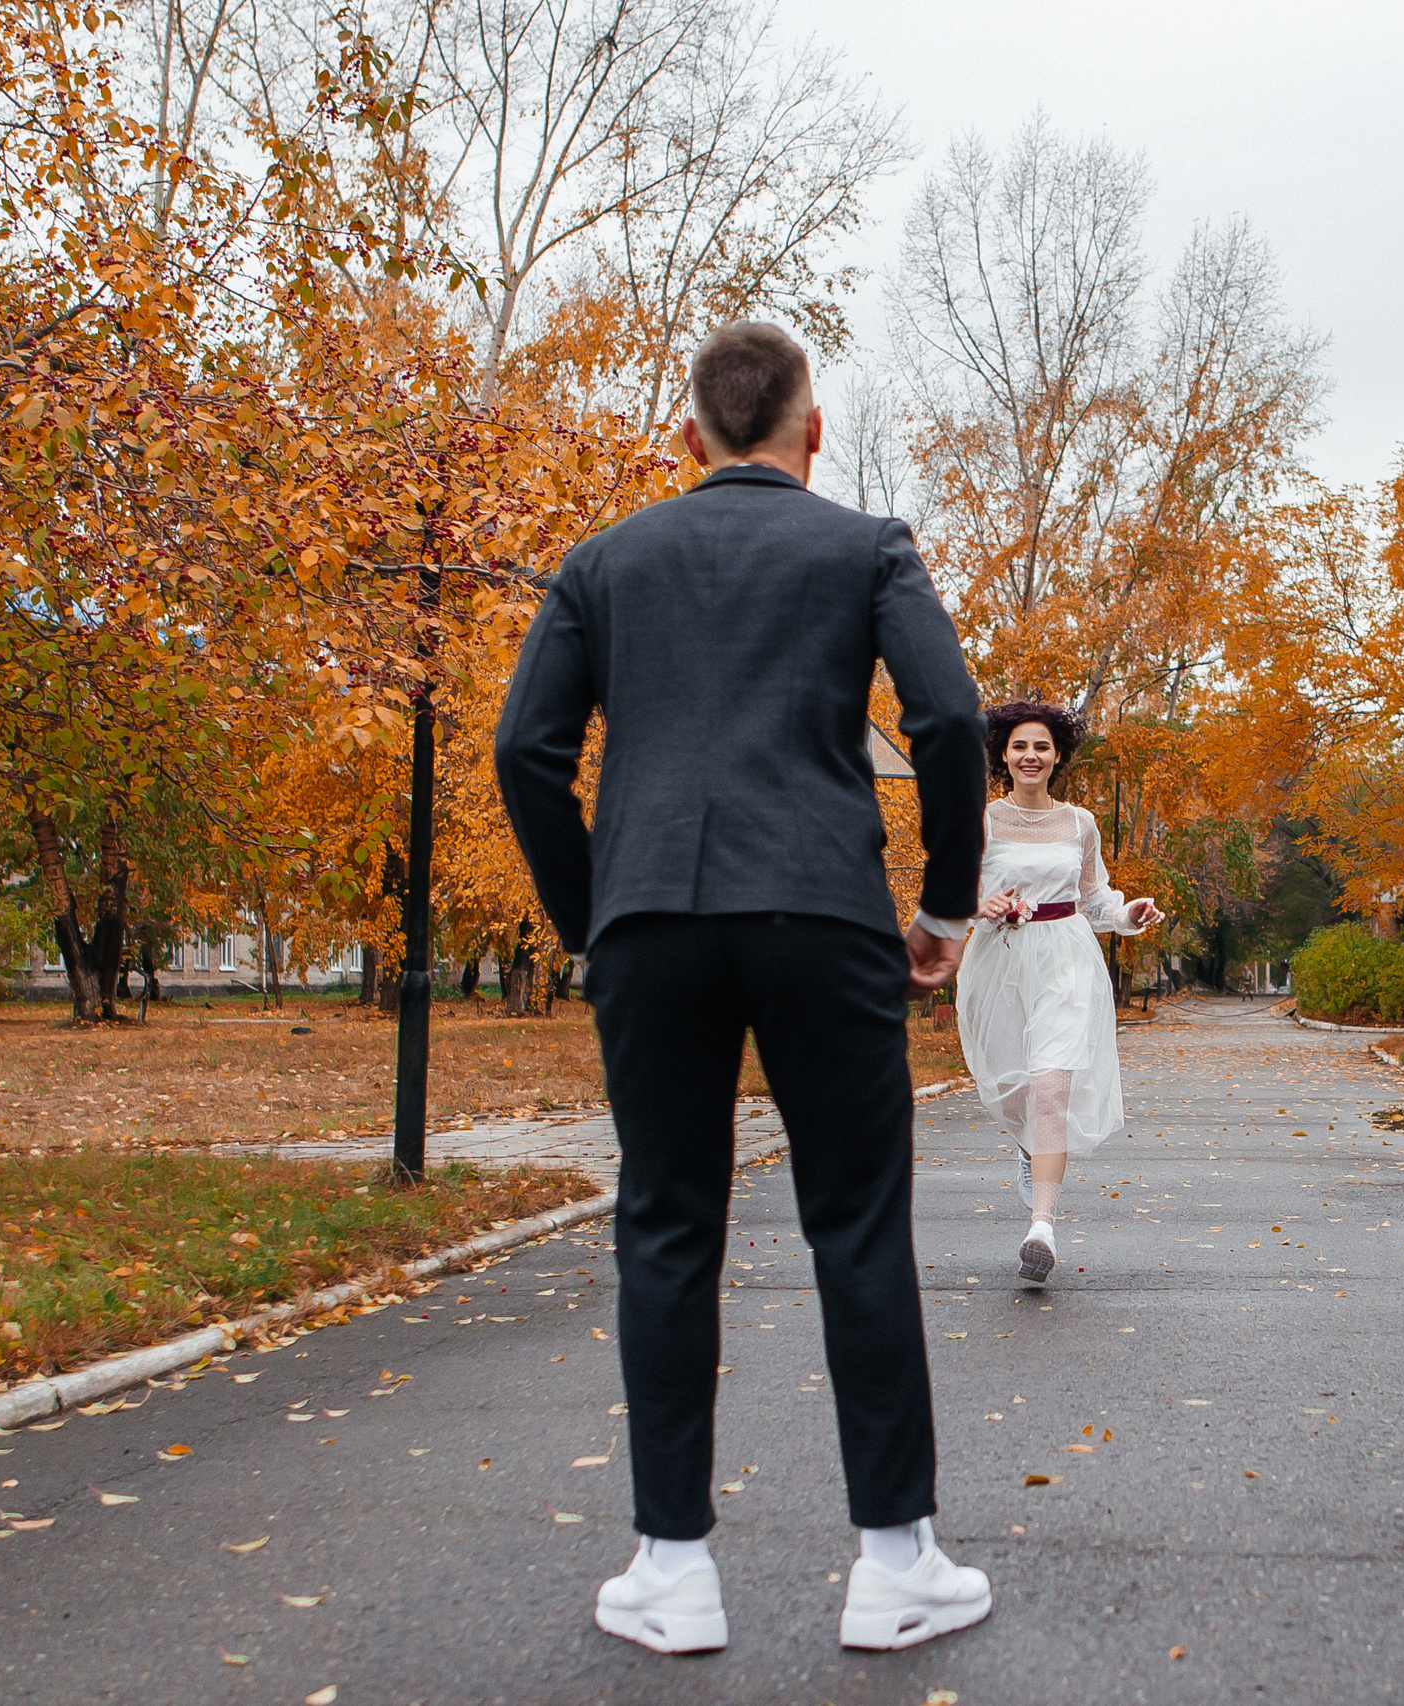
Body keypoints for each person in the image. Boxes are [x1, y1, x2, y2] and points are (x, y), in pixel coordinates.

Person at [493, 321, 994, 1657]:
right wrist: (945, 901)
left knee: (665, 1222)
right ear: (811, 430)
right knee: (857, 1222)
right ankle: (895, 1565)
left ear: (688, 437)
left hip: (651, 915)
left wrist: (589, 910)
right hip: (822, 906)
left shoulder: (602, 565)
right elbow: (949, 716)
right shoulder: (866, 546)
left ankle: (672, 1569)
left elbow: (524, 748)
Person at [954, 702, 1163, 1284]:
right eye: (1021, 745)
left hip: (1066, 959)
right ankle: (1029, 1148)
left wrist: (1129, 913)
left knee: (1052, 1086)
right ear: (1003, 753)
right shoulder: (983, 819)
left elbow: (1095, 901)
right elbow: (954, 890)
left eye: (1042, 747)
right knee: (1016, 1087)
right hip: (998, 960)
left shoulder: (1081, 824)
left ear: (1057, 757)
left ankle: (1041, 1226)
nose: (1031, 756)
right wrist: (980, 903)